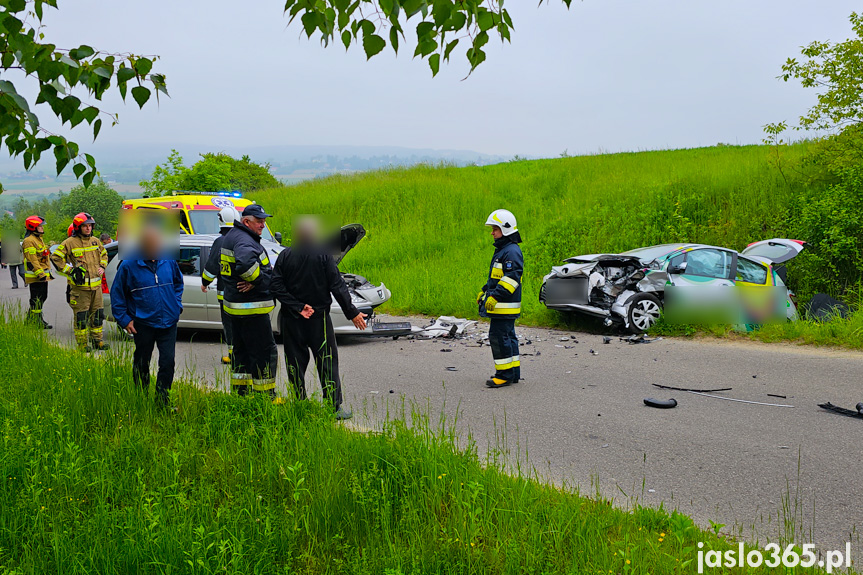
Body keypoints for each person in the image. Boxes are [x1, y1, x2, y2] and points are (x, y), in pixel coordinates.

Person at [271, 217, 367, 420]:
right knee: (327, 362)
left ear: (297, 235)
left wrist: (297, 307)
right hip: (319, 320)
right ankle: (334, 408)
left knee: (294, 362)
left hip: (292, 319)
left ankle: (299, 402)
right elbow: (337, 286)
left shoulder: (285, 256)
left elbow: (276, 286)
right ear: (314, 234)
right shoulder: (324, 256)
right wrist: (353, 313)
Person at [110, 223, 184, 407]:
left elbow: (178, 283)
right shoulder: (128, 265)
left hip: (169, 322)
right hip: (143, 323)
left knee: (167, 362)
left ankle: (162, 401)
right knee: (142, 361)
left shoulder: (168, 260)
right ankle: (141, 397)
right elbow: (117, 294)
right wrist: (124, 319)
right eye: (152, 245)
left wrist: (176, 304)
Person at [220, 204, 278, 397]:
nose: (263, 225)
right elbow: (245, 264)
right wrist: (258, 282)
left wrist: (254, 280)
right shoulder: (245, 240)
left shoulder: (233, 236)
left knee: (241, 353)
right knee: (263, 352)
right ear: (246, 221)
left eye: (264, 220)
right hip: (252, 309)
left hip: (236, 308)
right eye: (259, 221)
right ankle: (265, 396)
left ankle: (241, 394)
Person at [477, 209, 524, 388]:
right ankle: (513, 373)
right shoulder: (506, 250)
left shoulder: (510, 251)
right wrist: (484, 291)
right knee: (508, 336)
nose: (492, 232)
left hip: (504, 305)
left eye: (495, 229)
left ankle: (504, 375)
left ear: (505, 229)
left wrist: (495, 296)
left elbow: (512, 277)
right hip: (504, 305)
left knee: (498, 337)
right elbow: (497, 277)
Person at [51, 212, 109, 351]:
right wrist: (70, 270)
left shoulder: (95, 241)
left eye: (90, 226)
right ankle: (83, 344)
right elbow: (56, 257)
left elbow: (104, 254)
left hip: (96, 289)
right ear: (78, 227)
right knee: (81, 318)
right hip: (80, 289)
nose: (88, 228)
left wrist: (102, 266)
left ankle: (97, 341)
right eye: (85, 226)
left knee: (97, 316)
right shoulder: (69, 243)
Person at [201, 206, 240, 365]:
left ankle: (233, 355)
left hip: (225, 293)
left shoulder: (220, 241)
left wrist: (205, 282)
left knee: (229, 325)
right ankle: (243, 353)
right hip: (243, 293)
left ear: (220, 220)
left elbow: (212, 267)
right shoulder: (242, 238)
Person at [21, 216, 53, 328]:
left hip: (42, 275)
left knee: (42, 297)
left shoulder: (38, 239)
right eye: (40, 226)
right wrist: (40, 274)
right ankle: (35, 322)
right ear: (33, 227)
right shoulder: (29, 241)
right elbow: (32, 260)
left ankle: (33, 320)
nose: (42, 227)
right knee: (37, 298)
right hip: (36, 276)